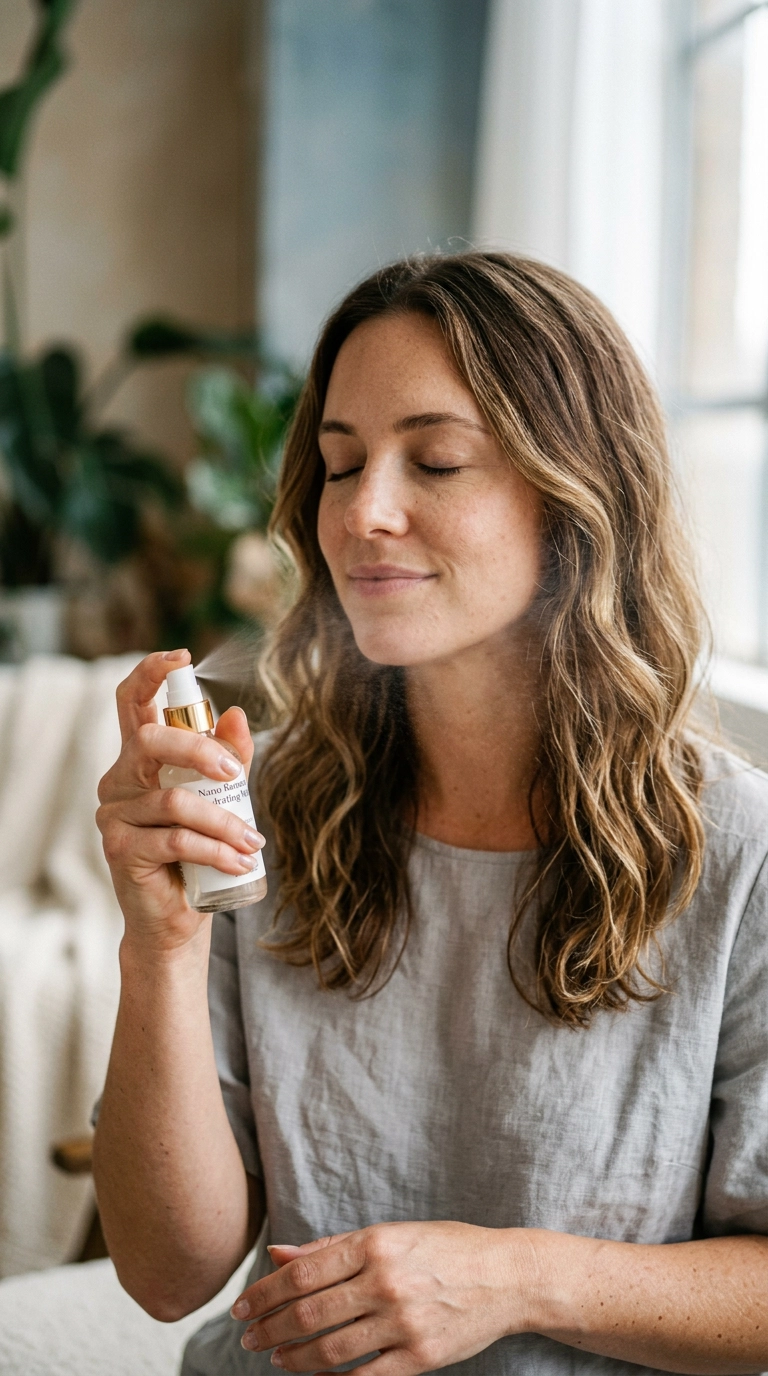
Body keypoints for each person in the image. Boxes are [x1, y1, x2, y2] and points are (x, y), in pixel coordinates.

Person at [93, 253, 768, 1376]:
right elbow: (169, 1275)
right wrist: (158, 947)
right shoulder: (258, 808)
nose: (365, 510)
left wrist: (513, 1278)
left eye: (437, 459)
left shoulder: (738, 847)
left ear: (575, 493)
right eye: (339, 462)